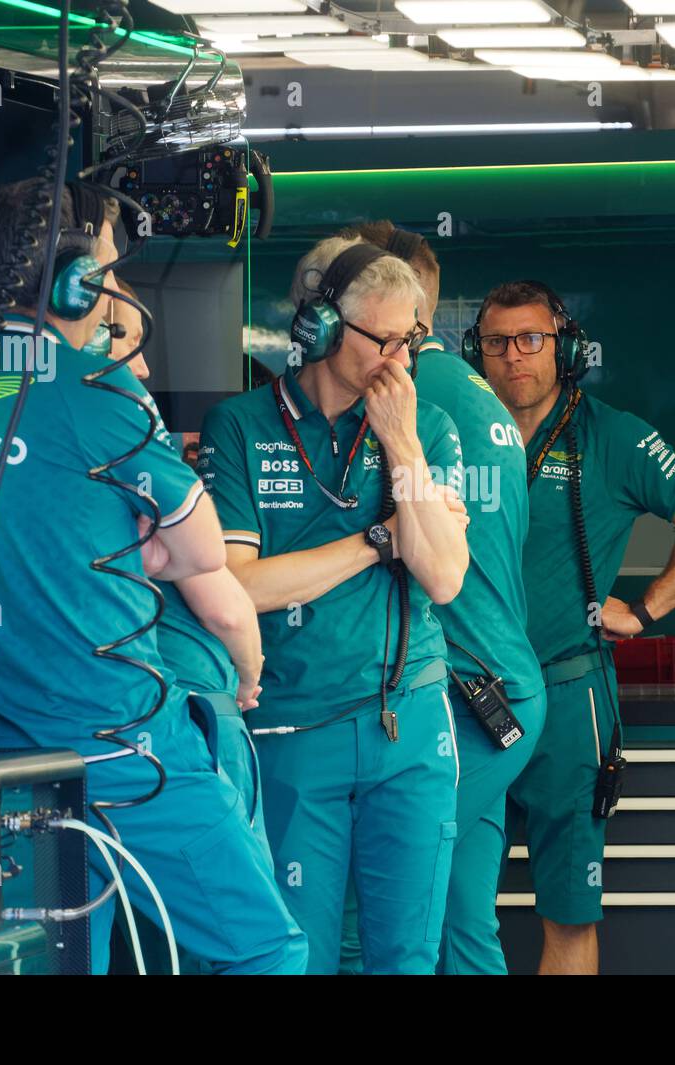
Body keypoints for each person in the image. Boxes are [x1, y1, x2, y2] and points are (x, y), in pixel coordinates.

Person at [0, 179, 305, 974]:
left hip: (5, 752)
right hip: (125, 739)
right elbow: (202, 550)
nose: (117, 289)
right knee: (268, 947)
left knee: (57, 961)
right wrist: (151, 546)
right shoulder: (100, 391)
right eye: (109, 270)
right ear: (73, 283)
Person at [197, 234, 470, 974]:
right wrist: (378, 541)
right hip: (290, 723)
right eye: (384, 341)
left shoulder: (425, 425)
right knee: (296, 956)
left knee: (407, 958)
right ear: (318, 328)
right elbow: (238, 586)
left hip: (408, 722)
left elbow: (444, 576)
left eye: (411, 340)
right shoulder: (241, 425)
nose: (401, 362)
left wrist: (403, 445)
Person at [481, 280, 675, 974]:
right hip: (467, 698)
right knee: (451, 902)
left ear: (565, 348)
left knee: (569, 909)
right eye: (497, 342)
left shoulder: (613, 435)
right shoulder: (455, 432)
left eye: (531, 339)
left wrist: (645, 608)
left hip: (569, 699)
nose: (514, 356)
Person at [335, 223, 547, 974]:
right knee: (461, 921)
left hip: (461, 696)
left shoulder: (410, 399)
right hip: (501, 686)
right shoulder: (475, 391)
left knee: (371, 908)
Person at [98, 279, 307, 975]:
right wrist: (249, 674)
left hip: (66, 724)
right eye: (129, 342)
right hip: (182, 717)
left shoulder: (43, 431)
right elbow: (221, 597)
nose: (145, 368)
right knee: (261, 944)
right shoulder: (128, 433)